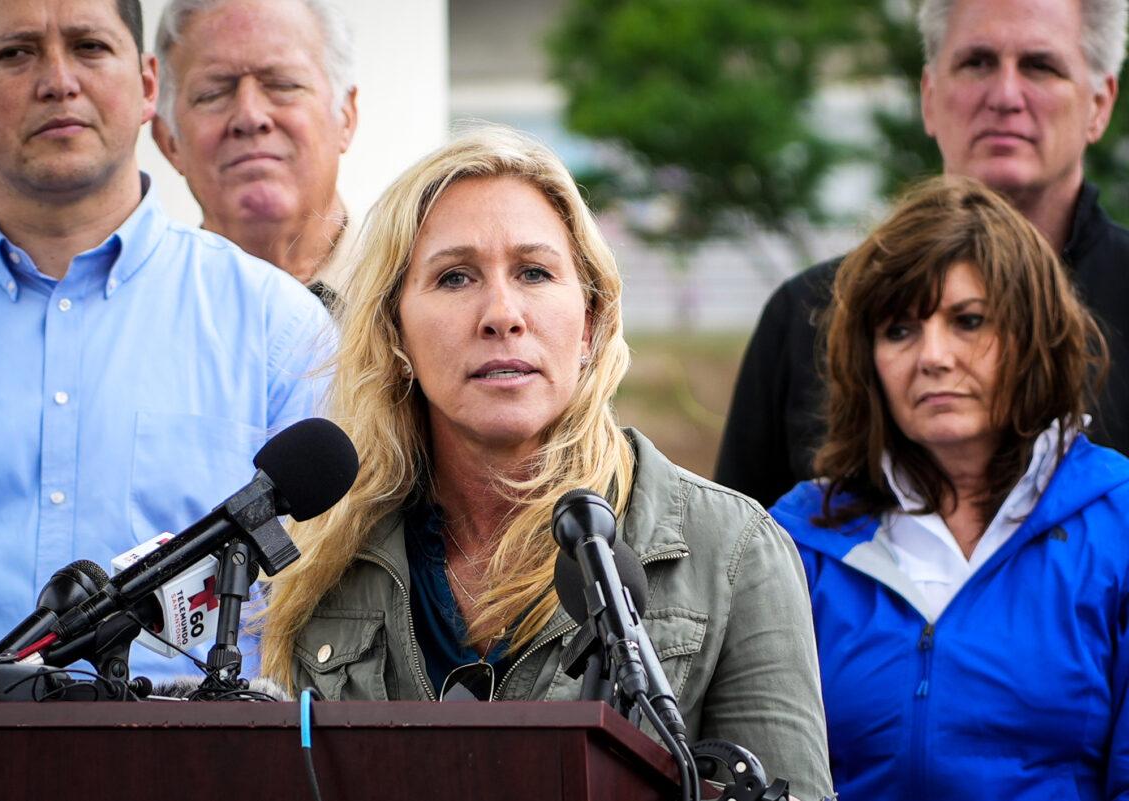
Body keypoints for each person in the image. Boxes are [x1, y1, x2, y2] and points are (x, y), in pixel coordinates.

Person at [257, 126, 835, 800]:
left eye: (534, 272)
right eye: (455, 277)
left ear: (589, 321)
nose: (502, 314)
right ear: (396, 334)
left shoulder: (733, 551)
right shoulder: (323, 561)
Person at [0, 0, 330, 694]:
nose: (58, 80)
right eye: (16, 53)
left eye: (88, 46)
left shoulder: (277, 329)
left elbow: (335, 616)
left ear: (148, 85)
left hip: (196, 766)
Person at [769, 176, 1129, 800]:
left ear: (1033, 337)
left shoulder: (1119, 523)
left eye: (968, 321)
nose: (932, 356)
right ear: (868, 361)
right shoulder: (796, 538)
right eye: (899, 330)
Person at [716, 0, 1129, 507]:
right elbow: (737, 568)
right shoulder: (810, 315)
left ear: (1100, 104)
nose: (1005, 95)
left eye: (1040, 66)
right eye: (976, 63)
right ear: (929, 98)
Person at [151, 0, 358, 311]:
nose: (250, 116)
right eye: (213, 93)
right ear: (169, 140)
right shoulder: (137, 317)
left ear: (345, 117)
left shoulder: (423, 289)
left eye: (283, 84)